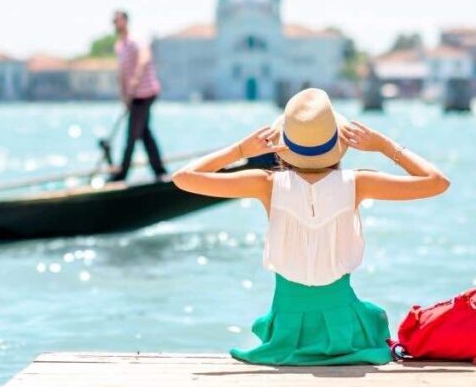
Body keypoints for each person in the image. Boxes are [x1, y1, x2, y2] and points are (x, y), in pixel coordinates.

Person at [172, 88, 449, 365]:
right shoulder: (358, 183)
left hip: (286, 334)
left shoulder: (266, 184)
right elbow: (437, 181)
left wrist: (240, 150)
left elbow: (184, 178)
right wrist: (385, 146)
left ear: (285, 146)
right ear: (337, 144)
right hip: (345, 330)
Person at [109, 10, 167, 183]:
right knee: (144, 133)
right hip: (133, 97)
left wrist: (135, 79)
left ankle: (122, 174)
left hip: (145, 93)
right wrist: (123, 94)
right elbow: (121, 73)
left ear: (125, 21)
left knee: (132, 134)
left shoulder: (136, 40)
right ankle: (160, 171)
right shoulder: (120, 46)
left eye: (117, 21)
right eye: (113, 22)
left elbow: (144, 58)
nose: (115, 25)